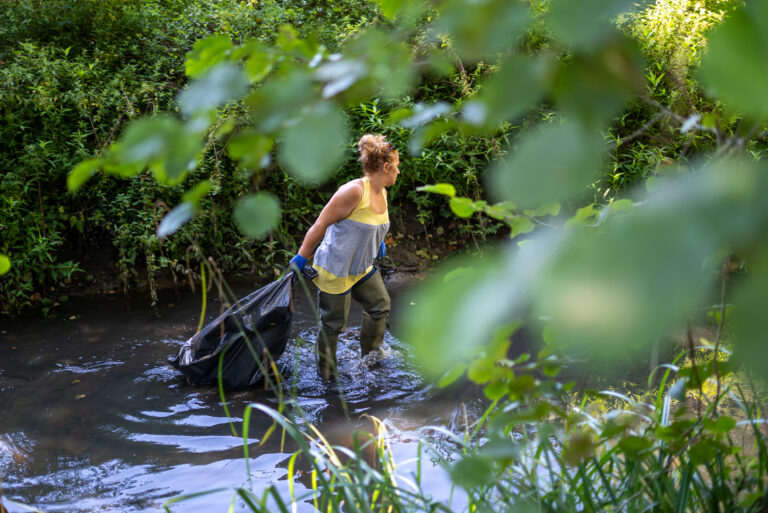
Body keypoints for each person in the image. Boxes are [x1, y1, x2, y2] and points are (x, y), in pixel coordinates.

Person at [289, 134, 399, 379]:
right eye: (397, 167)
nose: (398, 172)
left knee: (380, 305)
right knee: (333, 325)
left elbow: (371, 224)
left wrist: (378, 243)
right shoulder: (352, 192)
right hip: (335, 268)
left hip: (360, 266)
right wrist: (301, 258)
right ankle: (327, 377)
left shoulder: (382, 192)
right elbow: (319, 225)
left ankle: (371, 357)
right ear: (385, 167)